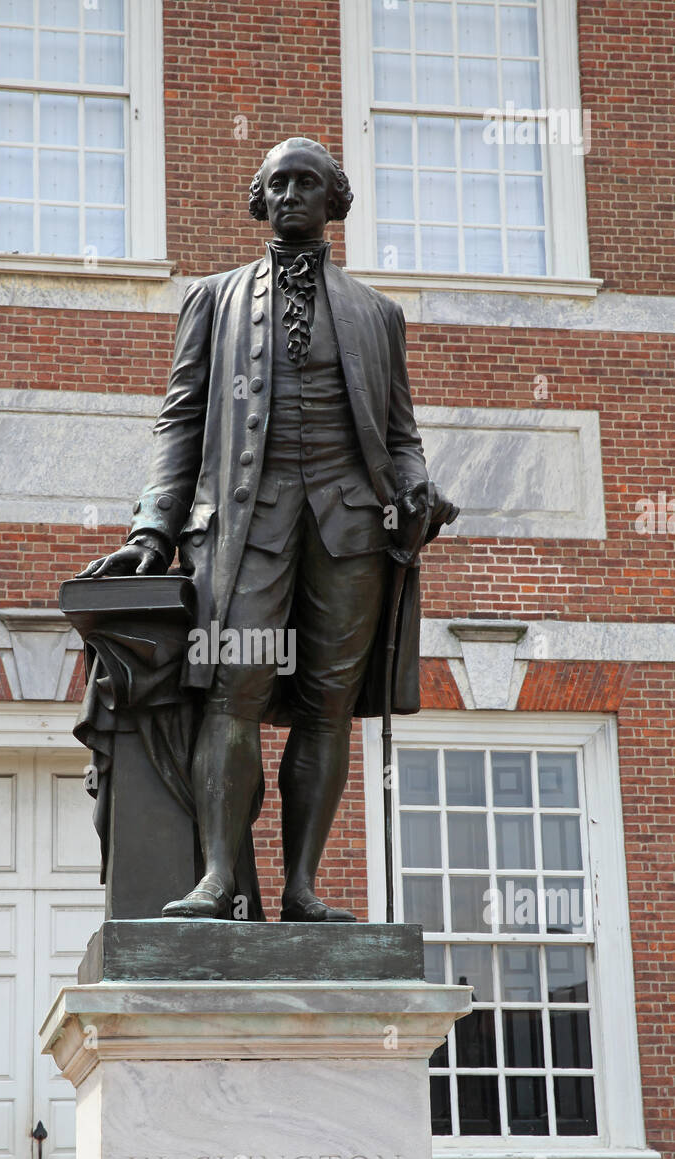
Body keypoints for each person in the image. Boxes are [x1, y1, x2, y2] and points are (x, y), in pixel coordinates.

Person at [78, 137, 457, 921]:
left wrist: (417, 490)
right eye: (276, 183)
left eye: (305, 183)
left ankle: (303, 889)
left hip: (350, 531)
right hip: (246, 526)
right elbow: (180, 420)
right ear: (260, 198)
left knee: (327, 706)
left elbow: (400, 435)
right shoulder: (213, 299)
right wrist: (154, 528)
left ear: (334, 201)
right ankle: (218, 879)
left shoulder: (378, 314)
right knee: (233, 691)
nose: (289, 195)